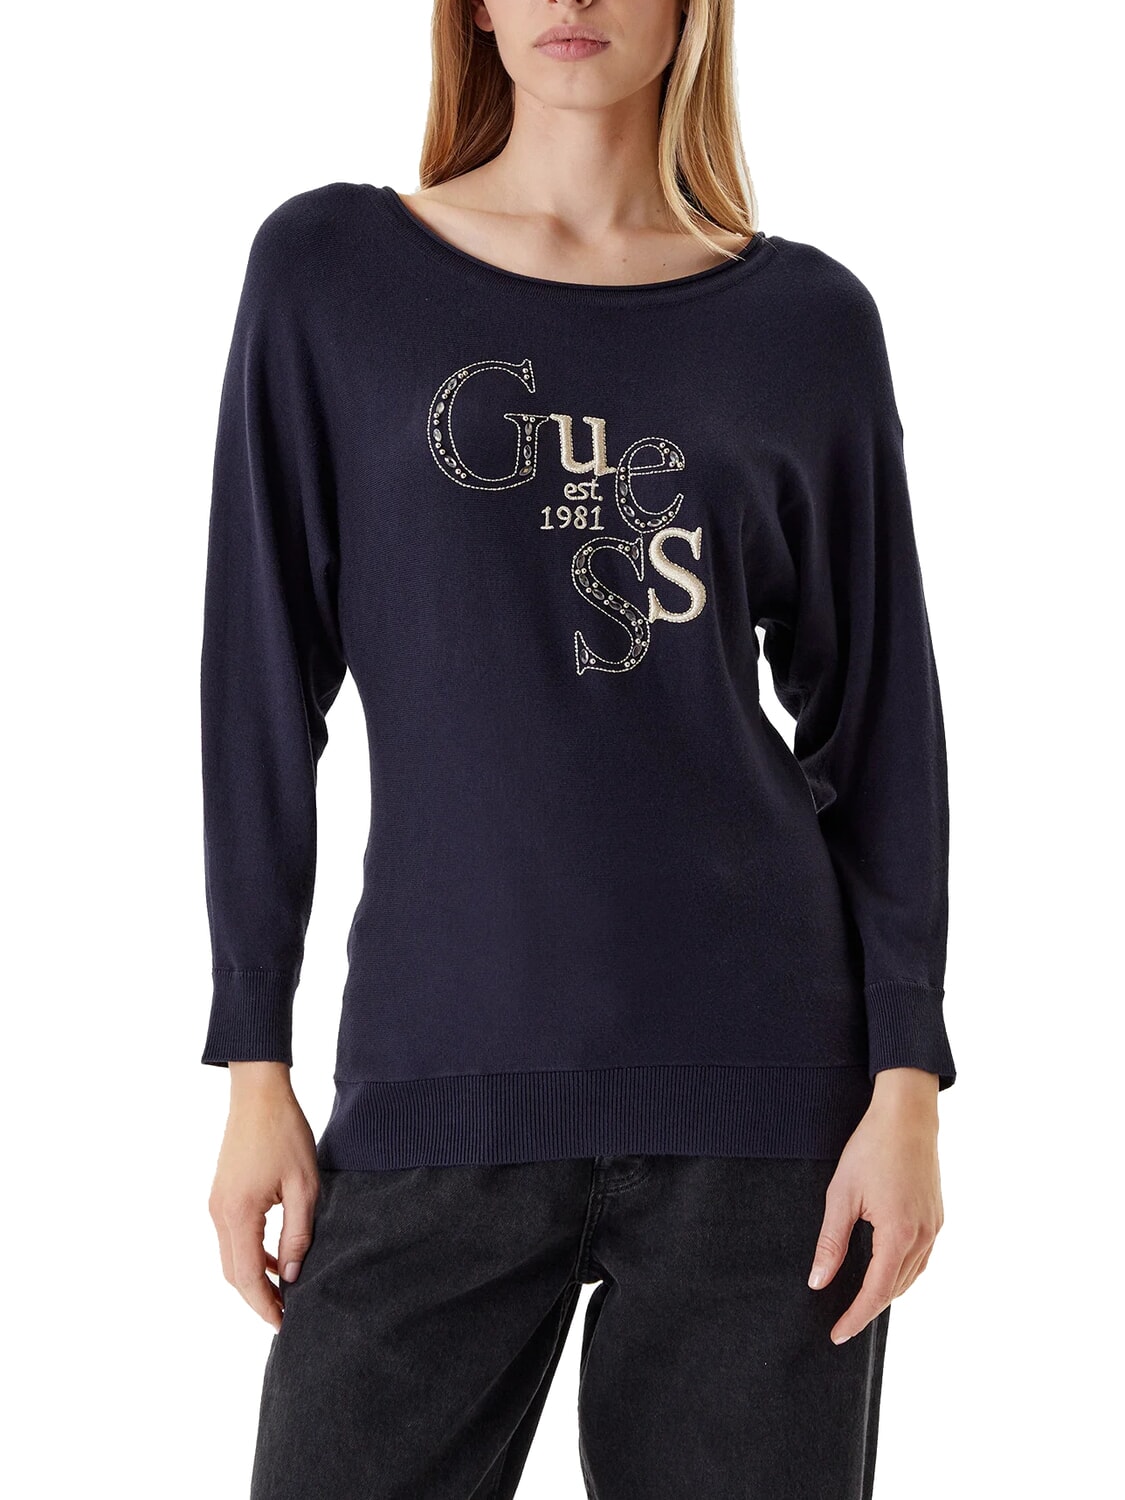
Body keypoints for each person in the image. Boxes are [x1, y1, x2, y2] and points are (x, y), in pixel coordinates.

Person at [200, 2, 956, 1495]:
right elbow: (256, 685)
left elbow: (879, 725)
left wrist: (906, 1080)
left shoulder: (805, 322)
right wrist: (253, 1058)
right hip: (439, 1076)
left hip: (764, 1102)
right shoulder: (332, 273)